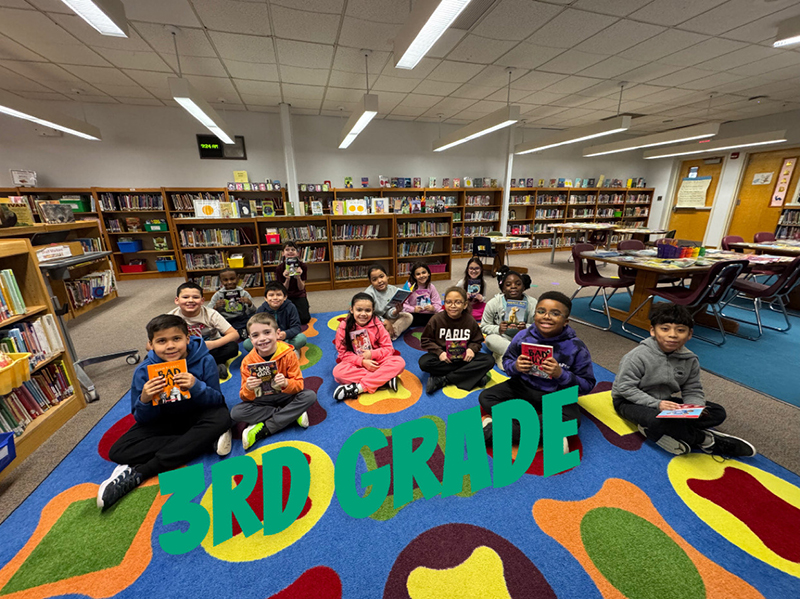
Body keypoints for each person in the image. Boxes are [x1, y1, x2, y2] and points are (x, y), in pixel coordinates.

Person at [98, 314, 232, 510]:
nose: (170, 346)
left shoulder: (205, 360)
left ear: (187, 339)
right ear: (150, 344)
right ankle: (202, 442)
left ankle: (142, 472)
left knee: (222, 417)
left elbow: (217, 400)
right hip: (164, 420)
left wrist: (196, 386)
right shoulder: (143, 371)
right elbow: (141, 419)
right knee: (118, 451)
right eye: (161, 341)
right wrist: (145, 399)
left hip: (199, 413)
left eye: (176, 339)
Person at [612, 302, 756, 457]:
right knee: (657, 420)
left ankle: (666, 431)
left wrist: (696, 408)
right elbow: (625, 388)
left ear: (689, 334)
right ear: (653, 331)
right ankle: (706, 440)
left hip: (666, 402)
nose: (673, 335)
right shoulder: (637, 356)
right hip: (630, 402)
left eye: (680, 330)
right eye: (665, 329)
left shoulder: (690, 359)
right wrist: (657, 404)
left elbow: (692, 388)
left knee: (716, 412)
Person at [479, 291, 595, 451]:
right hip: (523, 386)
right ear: (534, 315)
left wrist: (561, 374)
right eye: (541, 311)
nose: (546, 316)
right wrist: (516, 367)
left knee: (572, 421)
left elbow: (587, 385)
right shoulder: (522, 336)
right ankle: (549, 432)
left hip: (556, 394)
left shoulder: (576, 347)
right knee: (486, 397)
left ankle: (498, 429)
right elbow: (507, 361)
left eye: (555, 313)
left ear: (566, 321)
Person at [234, 313, 317, 451]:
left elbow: (299, 385)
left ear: (277, 333)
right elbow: (244, 397)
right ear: (250, 339)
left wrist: (286, 383)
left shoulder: (288, 354)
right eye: (255, 335)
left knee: (309, 396)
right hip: (262, 400)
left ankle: (266, 428)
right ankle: (292, 414)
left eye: (267, 332)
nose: (262, 339)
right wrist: (248, 388)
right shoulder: (247, 362)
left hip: (286, 396)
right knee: (236, 413)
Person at [419, 286, 495, 394]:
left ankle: (443, 379)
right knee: (424, 362)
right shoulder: (436, 319)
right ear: (444, 304)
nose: (453, 306)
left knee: (489, 360)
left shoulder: (470, 320)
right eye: (448, 302)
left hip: (464, 358)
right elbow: (426, 340)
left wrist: (471, 350)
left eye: (458, 302)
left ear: (464, 305)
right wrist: (439, 353)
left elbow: (477, 340)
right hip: (444, 358)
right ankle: (473, 375)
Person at [332, 292, 406, 400]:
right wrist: (361, 362)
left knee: (399, 362)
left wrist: (372, 354)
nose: (363, 314)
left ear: (373, 311)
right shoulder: (344, 327)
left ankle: (359, 388)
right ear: (352, 310)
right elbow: (343, 353)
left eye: (368, 310)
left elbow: (388, 348)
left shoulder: (378, 324)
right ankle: (384, 379)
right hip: (356, 363)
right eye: (359, 310)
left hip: (377, 361)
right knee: (338, 373)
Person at [169, 281, 240, 379]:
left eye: (195, 297)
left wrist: (213, 344)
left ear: (202, 301)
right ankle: (210, 364)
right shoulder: (171, 317)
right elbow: (150, 345)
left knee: (232, 347)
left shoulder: (211, 314)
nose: (190, 300)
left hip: (210, 347)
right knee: (155, 355)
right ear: (177, 300)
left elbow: (234, 334)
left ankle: (194, 366)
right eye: (185, 297)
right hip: (185, 350)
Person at [481, 270, 537, 370]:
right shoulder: (493, 303)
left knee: (544, 341)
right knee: (489, 340)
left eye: (518, 284)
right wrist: (498, 329)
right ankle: (518, 355)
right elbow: (484, 326)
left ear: (524, 287)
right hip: (502, 338)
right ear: (503, 289)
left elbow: (539, 326)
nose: (513, 286)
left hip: (524, 339)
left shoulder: (532, 303)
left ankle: (504, 355)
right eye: (508, 284)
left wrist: (526, 327)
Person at [249, 281, 307, 355]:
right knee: (247, 343)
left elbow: (296, 328)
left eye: (279, 295)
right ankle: (286, 351)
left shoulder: (291, 307)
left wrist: (285, 334)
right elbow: (256, 329)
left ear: (285, 297)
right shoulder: (261, 310)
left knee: (301, 338)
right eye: (271, 295)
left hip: (286, 339)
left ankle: (273, 352)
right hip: (267, 341)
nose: (275, 298)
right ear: (265, 298)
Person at [363, 264, 413, 341]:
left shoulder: (393, 290)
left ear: (387, 276)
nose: (379, 281)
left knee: (408, 317)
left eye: (381, 276)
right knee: (365, 323)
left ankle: (389, 335)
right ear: (371, 282)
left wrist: (395, 312)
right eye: (374, 279)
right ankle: (384, 334)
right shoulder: (368, 294)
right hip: (374, 319)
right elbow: (368, 314)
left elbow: (389, 311)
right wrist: (384, 321)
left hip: (387, 317)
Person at [209, 268, 256, 340]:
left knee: (253, 319)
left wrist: (249, 304)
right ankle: (231, 334)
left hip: (241, 319)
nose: (229, 282)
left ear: (238, 278)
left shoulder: (243, 293)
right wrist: (216, 307)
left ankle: (240, 333)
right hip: (224, 320)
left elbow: (253, 311)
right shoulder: (218, 295)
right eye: (225, 280)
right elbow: (208, 311)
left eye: (232, 279)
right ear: (221, 281)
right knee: (217, 327)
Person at [275, 241, 310, 325]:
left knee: (304, 319)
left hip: (299, 294)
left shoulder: (302, 266)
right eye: (287, 250)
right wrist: (287, 279)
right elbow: (282, 290)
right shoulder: (279, 268)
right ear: (283, 253)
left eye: (293, 250)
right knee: (282, 320)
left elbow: (301, 288)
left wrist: (298, 277)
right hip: (286, 296)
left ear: (297, 253)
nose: (290, 251)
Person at [402, 262, 443, 327]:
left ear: (428, 273)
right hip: (414, 314)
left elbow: (438, 303)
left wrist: (433, 308)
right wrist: (413, 309)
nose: (421, 276)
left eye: (424, 272)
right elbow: (403, 304)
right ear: (414, 276)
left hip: (429, 314)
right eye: (418, 274)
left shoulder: (431, 287)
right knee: (405, 318)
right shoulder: (409, 286)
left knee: (443, 315)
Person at [457, 257, 488, 322]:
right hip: (465, 307)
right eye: (471, 268)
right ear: (467, 269)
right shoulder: (462, 283)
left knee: (488, 310)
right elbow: (454, 296)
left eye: (477, 268)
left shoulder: (483, 282)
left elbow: (484, 297)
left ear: (481, 270)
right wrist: (463, 297)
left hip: (477, 306)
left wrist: (481, 298)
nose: (474, 271)